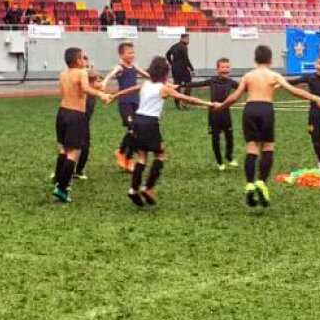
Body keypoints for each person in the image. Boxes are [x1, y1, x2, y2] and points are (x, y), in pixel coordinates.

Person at [213, 45, 320, 208]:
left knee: (251, 148)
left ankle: (250, 184)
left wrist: (221, 106)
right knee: (267, 148)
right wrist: (315, 97)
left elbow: (235, 96)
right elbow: (293, 90)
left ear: (255, 59)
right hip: (266, 109)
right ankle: (261, 182)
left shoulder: (248, 75)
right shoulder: (273, 75)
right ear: (271, 60)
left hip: (250, 109)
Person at [111, 57, 212, 206]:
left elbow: (127, 90)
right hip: (150, 124)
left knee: (142, 157)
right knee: (160, 155)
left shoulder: (145, 84)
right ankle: (148, 187)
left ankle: (133, 190)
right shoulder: (163, 89)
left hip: (137, 122)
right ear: (165, 74)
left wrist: (113, 96)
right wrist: (209, 103)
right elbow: (186, 98)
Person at [52, 47, 111, 203]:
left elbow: (69, 91)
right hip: (75, 115)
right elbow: (84, 89)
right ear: (78, 60)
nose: (85, 61)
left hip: (62, 113)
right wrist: (101, 94)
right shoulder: (82, 72)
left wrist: (96, 87)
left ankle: (58, 179)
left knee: (64, 149)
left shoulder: (63, 74)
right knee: (73, 153)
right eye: (83, 58)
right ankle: (62, 189)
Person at [102, 42, 149, 171]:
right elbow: (110, 75)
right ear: (121, 54)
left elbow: (148, 75)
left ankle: (126, 158)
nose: (132, 55)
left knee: (137, 132)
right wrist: (105, 82)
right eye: (129, 53)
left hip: (136, 102)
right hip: (125, 103)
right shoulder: (120, 67)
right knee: (132, 130)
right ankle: (122, 153)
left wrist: (161, 81)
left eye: (133, 52)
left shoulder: (134, 66)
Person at [189, 57, 240, 170]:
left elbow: (245, 88)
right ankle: (219, 161)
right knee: (215, 138)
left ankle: (229, 156)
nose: (225, 69)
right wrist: (179, 85)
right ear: (217, 69)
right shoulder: (212, 80)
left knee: (230, 137)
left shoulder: (231, 82)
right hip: (214, 114)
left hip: (225, 113)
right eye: (222, 67)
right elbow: (196, 84)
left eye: (227, 67)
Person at [165, 33, 194, 110]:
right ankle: (185, 102)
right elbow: (186, 59)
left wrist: (172, 63)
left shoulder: (174, 46)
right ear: (182, 39)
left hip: (175, 69)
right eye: (187, 39)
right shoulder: (184, 47)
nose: (188, 40)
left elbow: (167, 54)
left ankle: (177, 106)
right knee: (189, 84)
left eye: (189, 39)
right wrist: (192, 69)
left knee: (176, 86)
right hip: (183, 69)